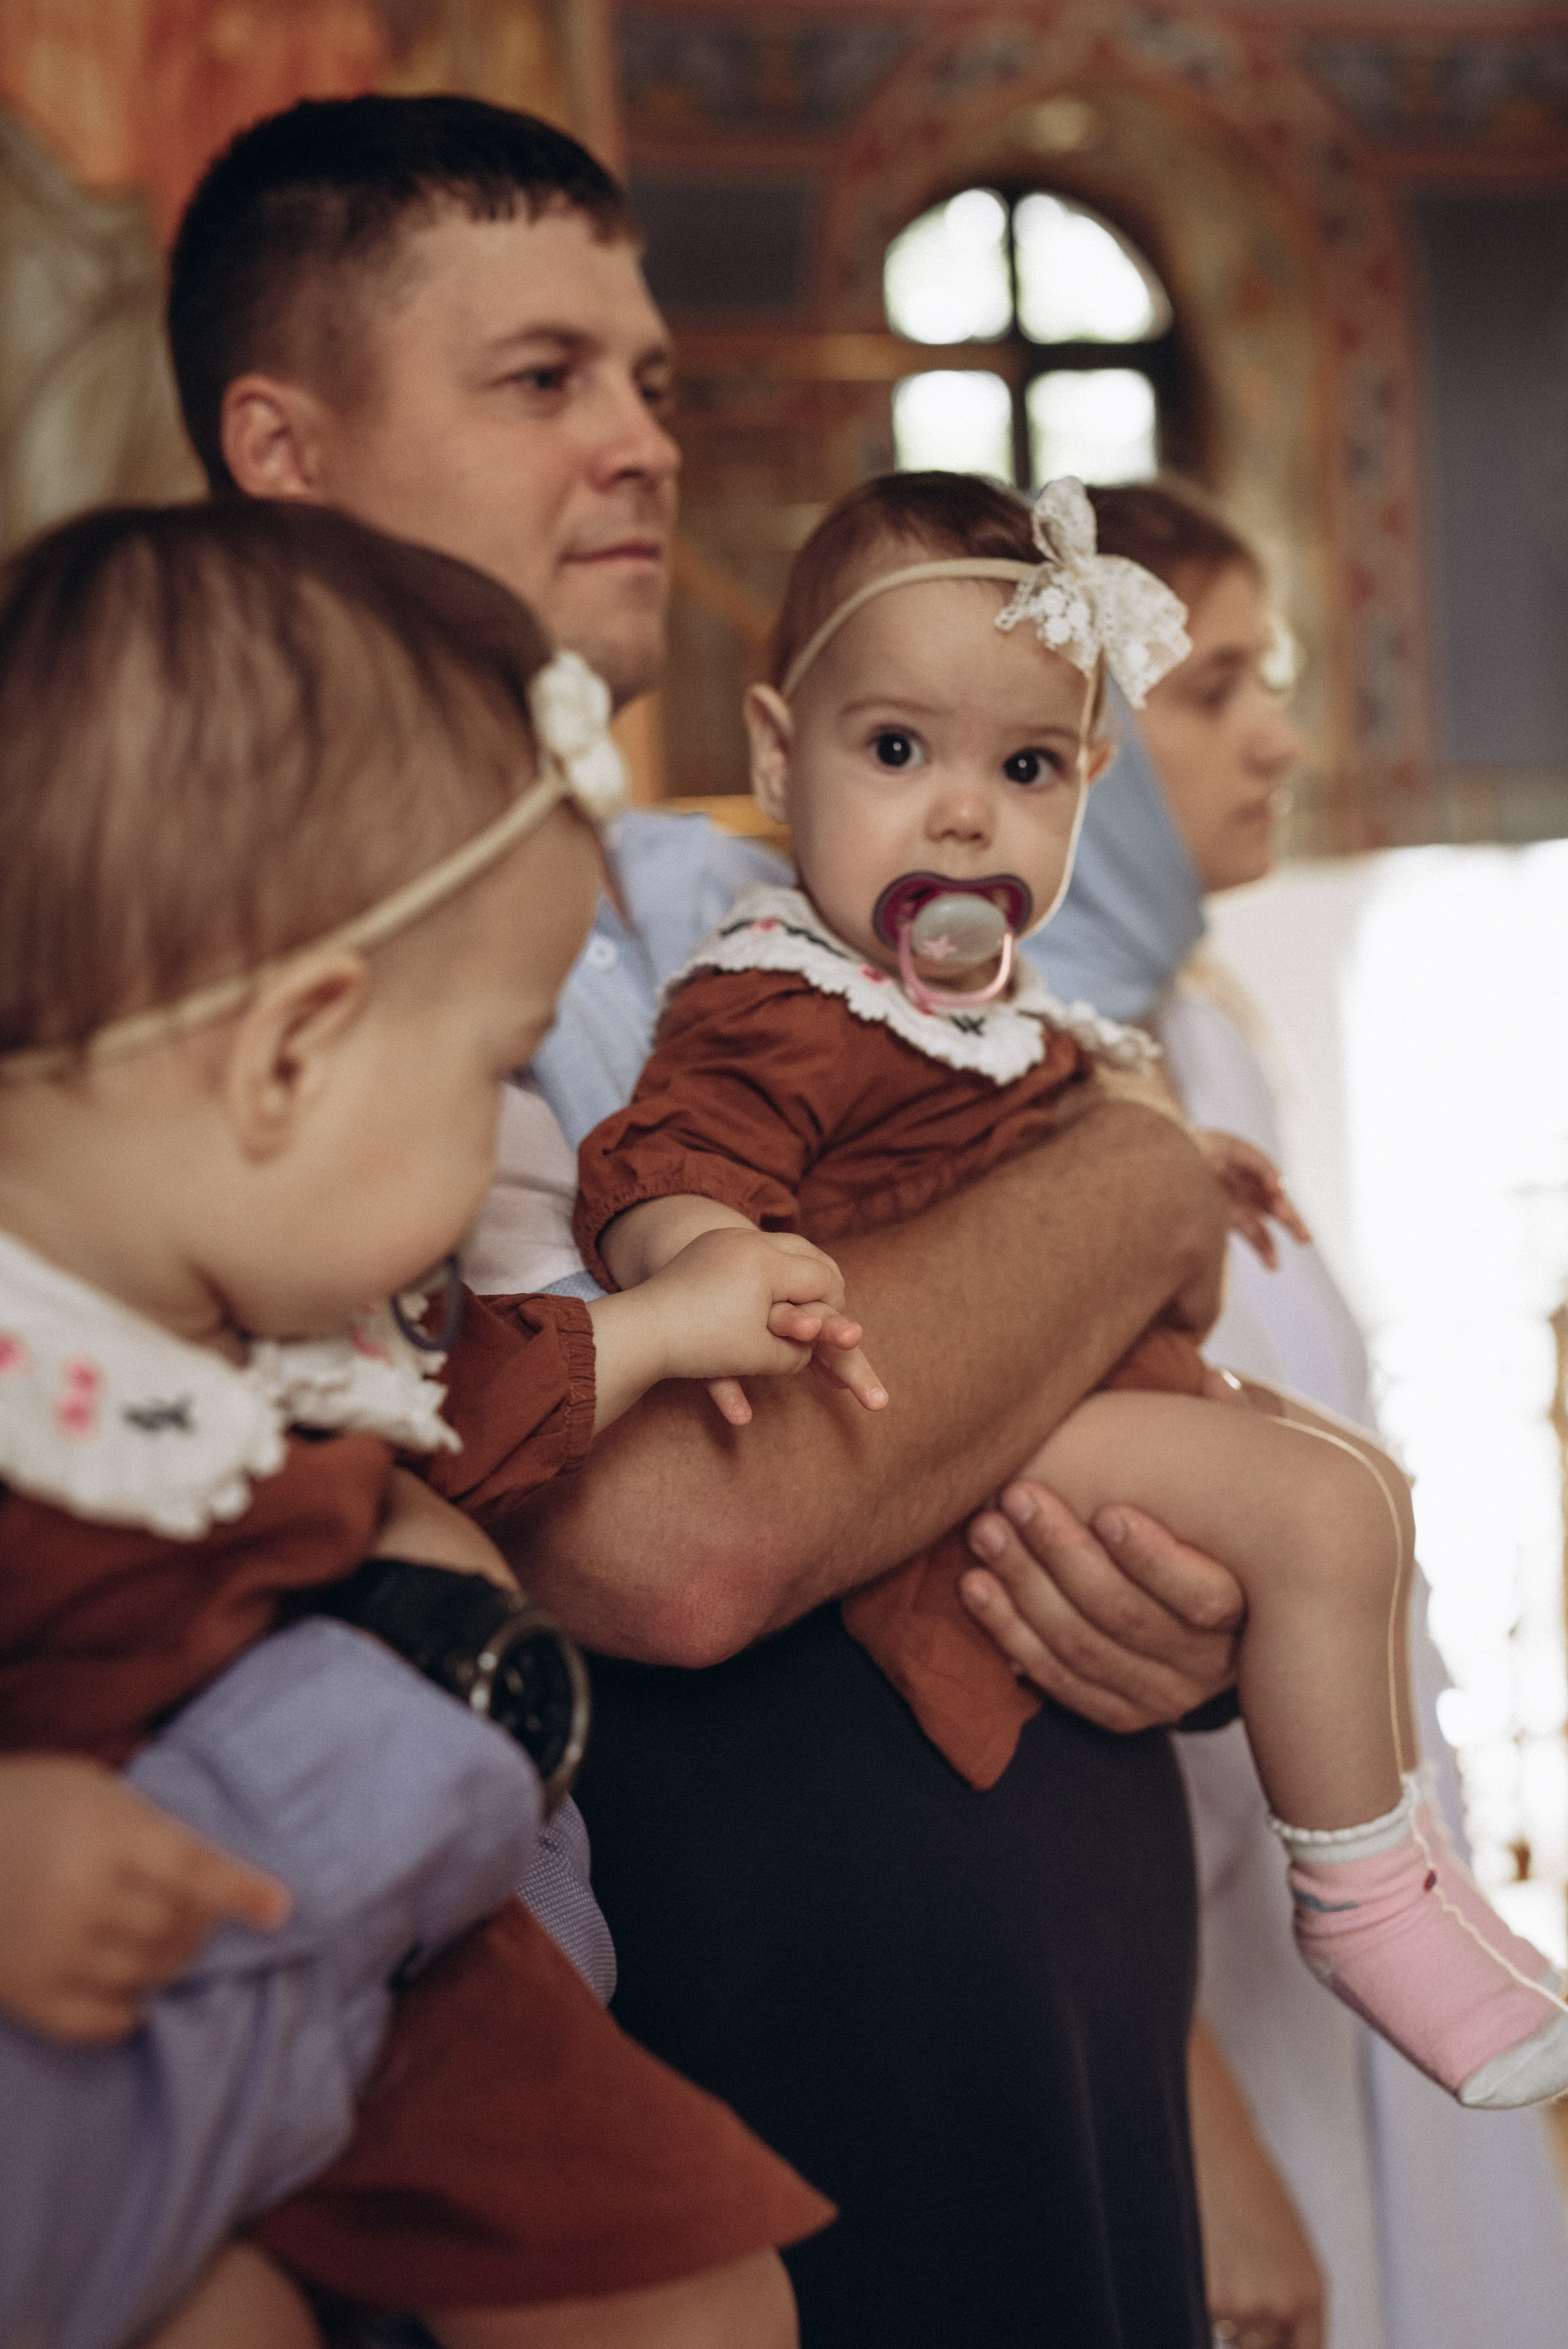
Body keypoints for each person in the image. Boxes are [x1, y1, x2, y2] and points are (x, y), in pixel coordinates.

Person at [167, 92, 1276, 2347]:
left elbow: (1100, 1311)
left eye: (655, 380)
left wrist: (1191, 1604)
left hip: (1053, 2018)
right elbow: (669, 1535)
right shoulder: (202, 932)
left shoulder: (747, 883)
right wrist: (1128, 1184)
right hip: (738, 2041)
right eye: (543, 378)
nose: (645, 444)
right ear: (284, 447)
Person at [572, 466, 1568, 2117]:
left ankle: (1404, 1865)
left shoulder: (1001, 1008)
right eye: (899, 752)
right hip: (939, 1402)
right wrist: (702, 1254)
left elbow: (1051, 1124)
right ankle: (1365, 1906)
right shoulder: (778, 992)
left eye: (1027, 768)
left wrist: (1193, 1161)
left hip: (1039, 1393)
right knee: (1325, 1515)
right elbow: (668, 1152)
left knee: (1366, 1493)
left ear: (1090, 784)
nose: (965, 815)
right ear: (777, 755)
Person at [0, 499, 842, 2349]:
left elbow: (489, 1397)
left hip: (393, 1983)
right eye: (488, 1071)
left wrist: (658, 1329)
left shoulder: (294, 1317)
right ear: (291, 1056)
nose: (503, 1144)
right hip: (98, 2025)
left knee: (704, 2302)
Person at [1039, 476, 1568, 2348]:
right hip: (1183, 1962)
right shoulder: (994, 1090)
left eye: (1273, 680)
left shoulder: (1197, 1035)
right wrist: (1202, 2120)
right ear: (1075, 744)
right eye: (1214, 689)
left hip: (1329, 1901)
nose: (1277, 737)